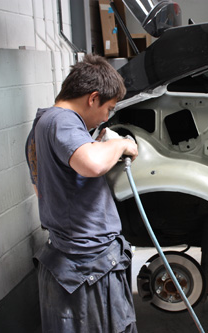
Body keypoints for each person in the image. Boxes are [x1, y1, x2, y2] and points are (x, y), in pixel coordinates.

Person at [25, 54, 138, 332]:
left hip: (70, 260)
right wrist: (122, 144)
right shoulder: (62, 121)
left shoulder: (41, 125)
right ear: (93, 97)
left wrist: (95, 143)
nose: (106, 116)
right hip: (87, 266)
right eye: (108, 108)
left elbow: (47, 186)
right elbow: (92, 164)